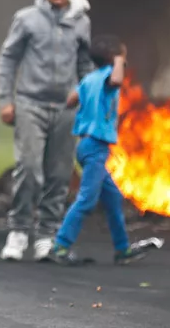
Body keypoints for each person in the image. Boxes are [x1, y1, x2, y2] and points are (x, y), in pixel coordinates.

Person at [0, 0, 93, 262]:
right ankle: (19, 231)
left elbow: (85, 64)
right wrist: (6, 100)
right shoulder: (26, 19)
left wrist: (85, 94)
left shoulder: (81, 22)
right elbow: (8, 58)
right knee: (28, 168)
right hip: (30, 103)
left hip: (66, 107)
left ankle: (46, 235)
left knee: (60, 173)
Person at [48, 35, 150, 265]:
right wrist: (118, 62)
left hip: (86, 145)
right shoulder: (108, 77)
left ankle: (122, 249)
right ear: (115, 59)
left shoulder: (89, 79)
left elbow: (70, 100)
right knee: (86, 199)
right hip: (95, 147)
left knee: (113, 197)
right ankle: (60, 246)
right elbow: (115, 81)